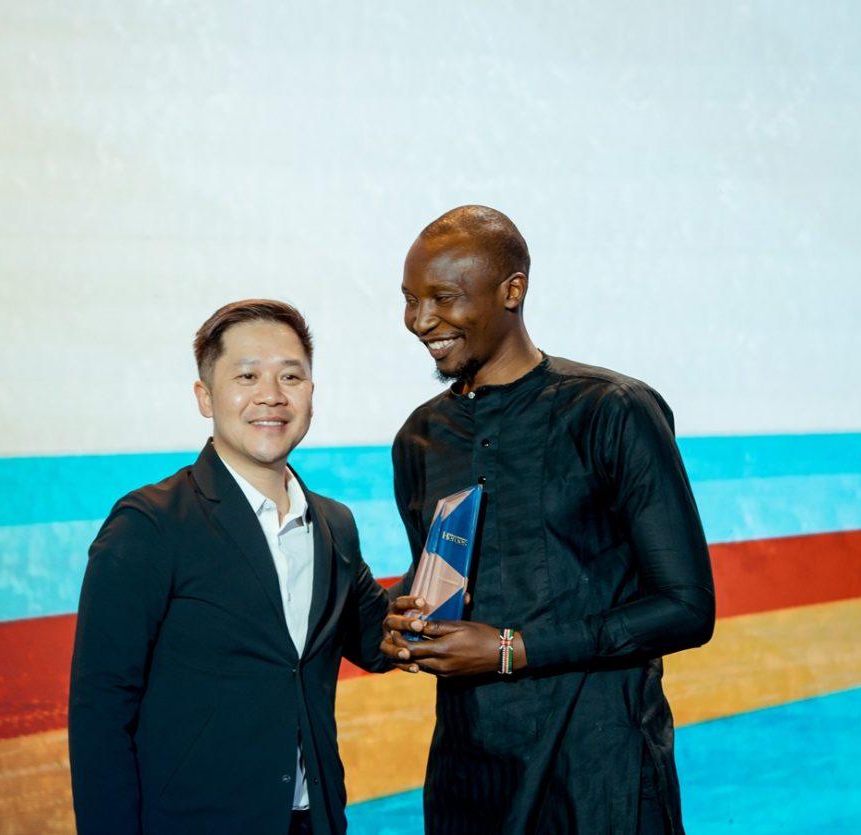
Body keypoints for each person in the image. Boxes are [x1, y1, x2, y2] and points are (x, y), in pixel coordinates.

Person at [380, 206, 715, 835]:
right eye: (409, 299)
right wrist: (406, 619)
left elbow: (687, 606)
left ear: (513, 291)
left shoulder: (613, 410)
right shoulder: (419, 438)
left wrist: (513, 650)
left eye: (443, 298)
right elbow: (440, 584)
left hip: (601, 776)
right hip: (469, 782)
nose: (421, 321)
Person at [69, 300, 390, 835]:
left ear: (312, 392)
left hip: (315, 821)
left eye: (292, 376)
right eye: (247, 376)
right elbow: (100, 713)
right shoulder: (149, 524)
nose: (272, 395)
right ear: (205, 396)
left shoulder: (334, 524)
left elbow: (382, 641)